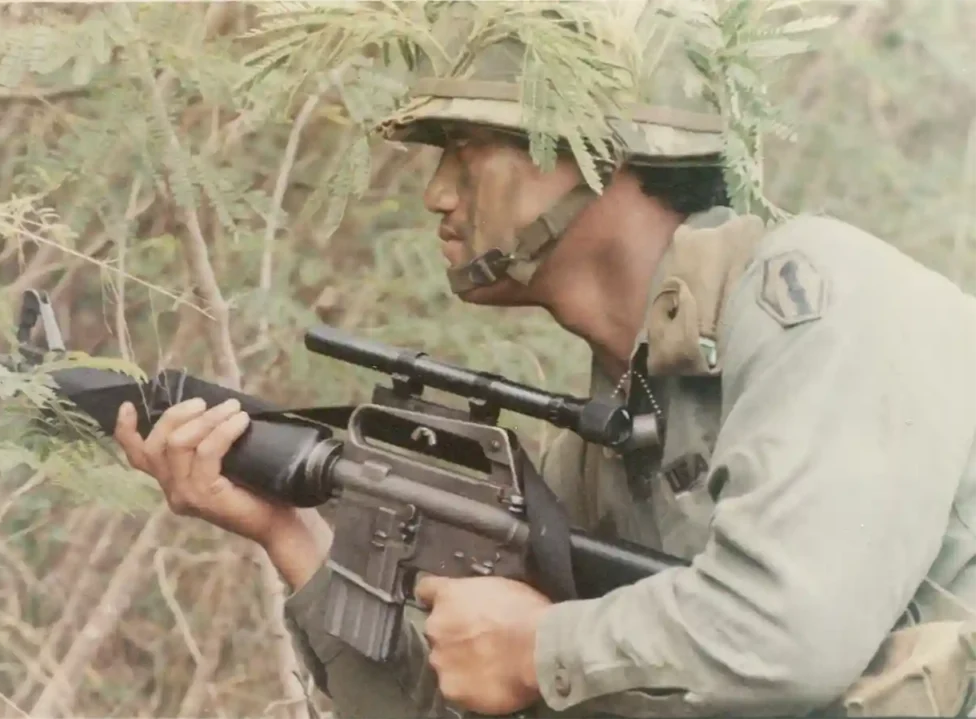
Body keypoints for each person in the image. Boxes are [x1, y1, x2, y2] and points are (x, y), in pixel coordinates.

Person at [113, 11, 976, 719]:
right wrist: (288, 534)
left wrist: (540, 646)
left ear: (598, 150)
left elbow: (792, 633)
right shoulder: (606, 443)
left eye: (471, 147)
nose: (438, 194)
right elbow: (464, 703)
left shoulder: (823, 300)